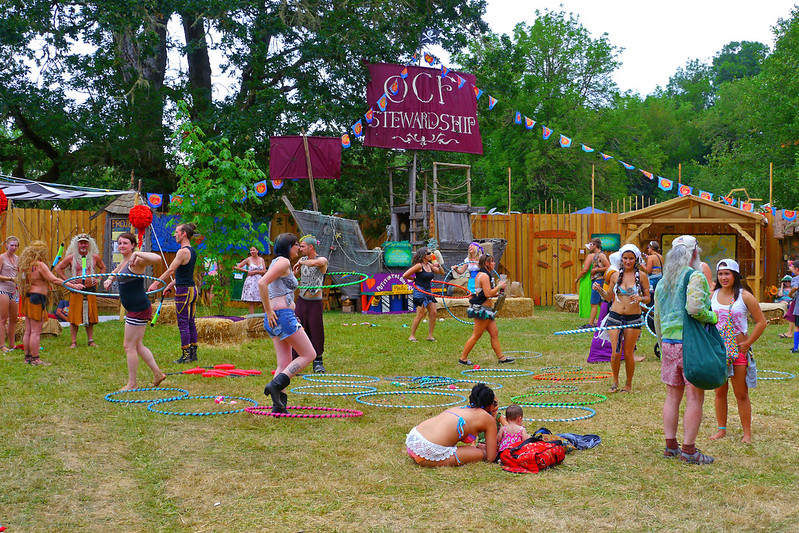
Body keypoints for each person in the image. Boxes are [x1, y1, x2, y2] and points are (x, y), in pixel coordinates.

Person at [654, 235, 718, 464]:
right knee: (694, 397)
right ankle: (689, 450)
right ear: (694, 253)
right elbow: (695, 309)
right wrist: (713, 316)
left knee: (672, 396)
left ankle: (670, 446)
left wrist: (662, 343)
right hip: (690, 343)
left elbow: (658, 318)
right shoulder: (695, 276)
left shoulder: (662, 282)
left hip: (669, 343)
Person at [707, 259, 766, 444]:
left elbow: (761, 322)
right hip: (718, 351)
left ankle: (746, 433)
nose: (724, 277)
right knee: (719, 392)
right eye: (721, 274)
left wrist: (748, 343)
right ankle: (721, 429)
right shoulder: (712, 295)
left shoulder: (744, 296)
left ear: (735, 275)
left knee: (741, 393)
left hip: (739, 351)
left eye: (727, 273)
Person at [259, 233, 318, 414]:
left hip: (279, 317)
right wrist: (269, 311)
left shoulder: (280, 263)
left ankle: (278, 406)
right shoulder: (283, 262)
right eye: (296, 245)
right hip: (280, 316)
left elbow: (278, 290)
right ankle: (276, 385)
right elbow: (262, 283)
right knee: (309, 354)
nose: (298, 249)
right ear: (289, 246)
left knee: (283, 363)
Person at [104, 232, 167, 390]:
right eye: (119, 243)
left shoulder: (137, 260)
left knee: (128, 346)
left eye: (125, 243)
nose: (121, 246)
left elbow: (158, 259)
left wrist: (137, 253)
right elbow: (115, 272)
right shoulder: (124, 261)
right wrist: (109, 279)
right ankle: (158, 374)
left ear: (133, 245)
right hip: (134, 307)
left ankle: (132, 383)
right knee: (137, 345)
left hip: (138, 307)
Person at [593, 244, 650, 392]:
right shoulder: (615, 275)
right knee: (616, 352)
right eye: (625, 258)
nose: (628, 261)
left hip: (633, 318)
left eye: (631, 258)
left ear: (636, 259)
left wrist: (640, 298)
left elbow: (648, 299)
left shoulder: (641, 276)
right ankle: (615, 382)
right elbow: (609, 297)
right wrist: (600, 291)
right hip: (615, 317)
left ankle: (628, 384)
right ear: (621, 259)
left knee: (628, 353)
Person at [16, 241, 81, 365]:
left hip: (27, 298)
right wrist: (71, 285)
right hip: (37, 299)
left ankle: (27, 358)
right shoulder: (40, 265)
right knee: (36, 331)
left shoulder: (26, 265)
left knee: (29, 330)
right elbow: (53, 279)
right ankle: (36, 359)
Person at [405, 383, 499, 467]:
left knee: (471, 449)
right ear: (490, 405)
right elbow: (490, 457)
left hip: (413, 440)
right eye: (494, 403)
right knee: (481, 453)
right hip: (428, 452)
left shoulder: (459, 408)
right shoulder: (487, 418)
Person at [149, 222, 198, 363]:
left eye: (177, 232)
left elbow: (171, 270)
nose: (175, 235)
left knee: (183, 323)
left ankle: (186, 356)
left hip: (184, 291)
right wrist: (170, 284)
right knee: (191, 322)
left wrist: (156, 283)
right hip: (192, 289)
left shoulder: (182, 252)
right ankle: (193, 354)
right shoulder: (192, 251)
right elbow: (184, 274)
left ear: (183, 234)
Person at [458, 254, 514, 365]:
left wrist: (497, 292)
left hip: (487, 309)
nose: (494, 263)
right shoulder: (484, 276)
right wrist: (499, 286)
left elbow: (485, 292)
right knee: (476, 335)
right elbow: (488, 294)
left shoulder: (482, 274)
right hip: (482, 310)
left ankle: (501, 358)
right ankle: (463, 359)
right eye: (492, 262)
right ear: (486, 264)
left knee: (494, 333)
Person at [54, 233, 106, 348]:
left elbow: (103, 267)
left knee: (91, 316)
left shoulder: (94, 257)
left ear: (89, 244)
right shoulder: (71, 257)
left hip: (90, 289)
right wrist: (68, 281)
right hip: (76, 290)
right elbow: (58, 268)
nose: (83, 245)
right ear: (77, 244)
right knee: (74, 317)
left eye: (85, 243)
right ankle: (74, 342)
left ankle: (91, 340)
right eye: (81, 243)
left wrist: (98, 279)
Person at [291, 235, 329, 373]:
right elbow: (296, 275)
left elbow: (314, 264)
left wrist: (300, 263)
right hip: (301, 300)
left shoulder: (322, 260)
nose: (300, 249)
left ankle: (318, 361)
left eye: (302, 246)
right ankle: (295, 361)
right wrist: (295, 273)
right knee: (297, 329)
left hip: (315, 302)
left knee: (316, 330)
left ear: (310, 247)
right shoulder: (302, 260)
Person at [402, 247, 445, 342]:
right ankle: (412, 336)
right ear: (423, 255)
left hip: (428, 291)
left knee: (433, 313)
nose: (431, 255)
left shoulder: (429, 265)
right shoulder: (419, 266)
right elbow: (405, 275)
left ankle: (430, 336)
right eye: (429, 253)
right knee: (420, 314)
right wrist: (414, 279)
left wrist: (439, 266)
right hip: (420, 291)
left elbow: (442, 273)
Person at [587, 251, 621, 364]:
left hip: (610, 304)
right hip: (611, 305)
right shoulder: (613, 272)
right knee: (605, 333)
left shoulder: (612, 271)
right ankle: (602, 355)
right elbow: (609, 295)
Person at [575, 237, 608, 328]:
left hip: (598, 281)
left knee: (593, 303)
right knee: (600, 303)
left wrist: (597, 269)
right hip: (596, 280)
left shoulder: (601, 255)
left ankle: (590, 324)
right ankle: (606, 320)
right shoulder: (596, 255)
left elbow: (608, 266)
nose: (589, 246)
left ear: (595, 245)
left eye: (591, 244)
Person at [0, 236, 20, 353]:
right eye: (11, 245)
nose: (13, 247)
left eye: (16, 245)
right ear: (6, 245)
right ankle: (2, 345)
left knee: (14, 318)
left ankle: (12, 344)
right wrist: (11, 279)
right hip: (3, 289)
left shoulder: (18, 258)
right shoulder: (2, 258)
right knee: (3, 318)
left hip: (14, 290)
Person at [235, 246, 266, 315]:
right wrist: (247, 271)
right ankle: (252, 316)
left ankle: (265, 316)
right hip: (251, 281)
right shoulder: (248, 260)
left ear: (257, 251)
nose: (252, 252)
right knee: (251, 300)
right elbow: (238, 267)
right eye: (251, 250)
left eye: (253, 250)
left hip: (260, 280)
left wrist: (255, 272)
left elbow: (264, 271)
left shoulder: (261, 260)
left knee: (263, 299)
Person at [789, 261, 799, 354]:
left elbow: (795, 288)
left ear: (797, 269)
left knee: (797, 327)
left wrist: (790, 294)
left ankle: (796, 348)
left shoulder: (796, 278)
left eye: (792, 268)